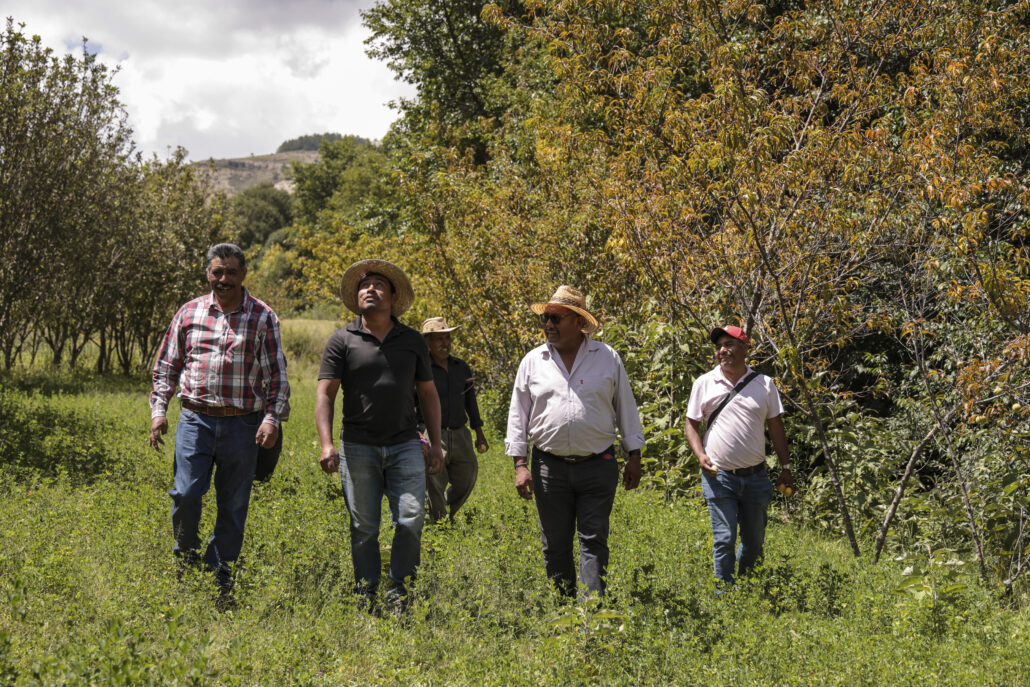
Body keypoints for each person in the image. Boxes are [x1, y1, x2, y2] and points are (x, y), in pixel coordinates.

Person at [149, 242, 290, 602]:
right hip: (195, 420)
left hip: (243, 426)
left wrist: (272, 419)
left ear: (243, 274)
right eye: (217, 272)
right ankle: (186, 558)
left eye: (231, 272)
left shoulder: (262, 316)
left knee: (233, 504)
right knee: (186, 494)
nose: (223, 279)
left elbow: (277, 377)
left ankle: (219, 575)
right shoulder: (190, 312)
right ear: (208, 274)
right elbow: (167, 366)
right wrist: (159, 411)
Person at [315, 259, 444, 612]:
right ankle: (366, 593)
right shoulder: (342, 340)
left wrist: (435, 443)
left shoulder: (413, 341)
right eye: (363, 286)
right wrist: (327, 444)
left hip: (405, 444)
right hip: (358, 446)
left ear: (393, 296)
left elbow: (429, 394)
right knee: (364, 526)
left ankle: (399, 592)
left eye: (377, 285)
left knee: (411, 518)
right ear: (357, 298)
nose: (369, 290)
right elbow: (326, 394)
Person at [506, 285, 645, 598]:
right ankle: (562, 609)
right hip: (548, 467)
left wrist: (634, 454)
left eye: (556, 318)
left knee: (593, 541)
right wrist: (520, 464)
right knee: (554, 544)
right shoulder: (533, 361)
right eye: (545, 318)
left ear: (578, 322)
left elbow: (625, 406)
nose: (548, 325)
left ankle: (590, 615)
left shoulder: (607, 358)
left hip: (598, 465)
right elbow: (518, 415)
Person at [685, 325, 793, 586]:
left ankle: (746, 587)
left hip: (756, 477)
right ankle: (724, 597)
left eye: (730, 345)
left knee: (754, 540)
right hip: (718, 476)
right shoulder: (704, 383)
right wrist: (700, 455)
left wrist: (786, 465)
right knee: (724, 538)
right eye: (719, 346)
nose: (723, 350)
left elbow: (776, 426)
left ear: (745, 348)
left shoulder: (764, 384)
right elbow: (691, 424)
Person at [420, 317, 489, 523]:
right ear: (428, 343)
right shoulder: (422, 368)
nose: (445, 343)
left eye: (447, 337)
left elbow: (470, 400)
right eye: (439, 339)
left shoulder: (461, 367)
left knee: (468, 474)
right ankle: (440, 525)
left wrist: (479, 432)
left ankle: (445, 511)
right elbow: (412, 402)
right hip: (433, 433)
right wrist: (418, 431)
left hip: (460, 432)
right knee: (434, 478)